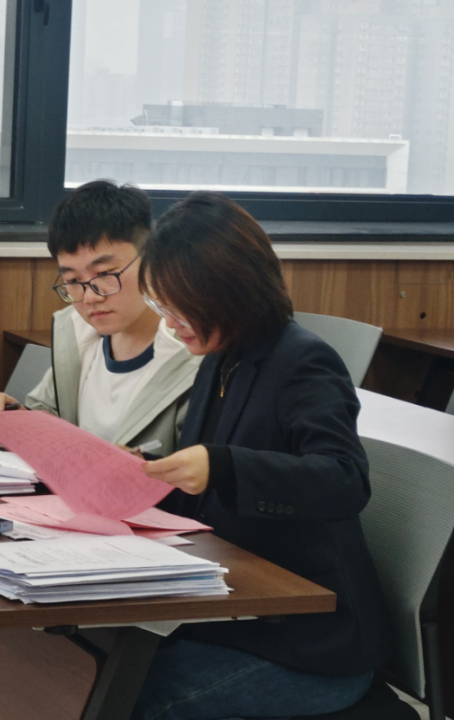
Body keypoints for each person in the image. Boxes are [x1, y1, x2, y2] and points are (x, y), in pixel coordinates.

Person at [134, 192, 392, 720]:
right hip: (240, 615)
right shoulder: (221, 358)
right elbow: (203, 487)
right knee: (94, 662)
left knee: (130, 693)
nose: (170, 323)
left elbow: (345, 479)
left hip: (313, 647)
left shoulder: (304, 360)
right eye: (162, 307)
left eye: (178, 307)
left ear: (228, 290)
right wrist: (136, 480)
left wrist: (223, 467)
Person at [0, 180, 200, 453]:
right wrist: (20, 420)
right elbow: (49, 412)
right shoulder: (77, 336)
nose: (90, 297)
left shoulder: (192, 351)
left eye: (105, 274)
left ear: (151, 258)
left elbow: (200, 467)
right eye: (73, 280)